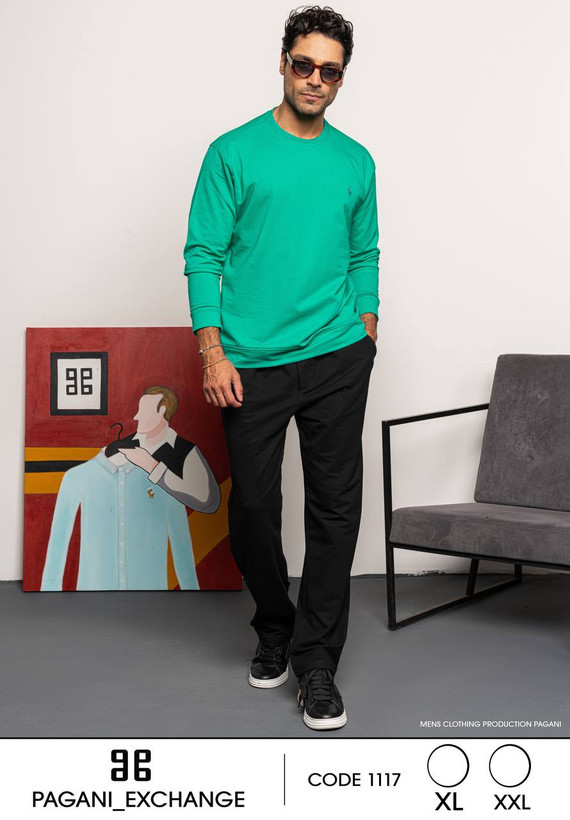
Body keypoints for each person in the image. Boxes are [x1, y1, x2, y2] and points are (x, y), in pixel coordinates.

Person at [182, 4, 379, 730]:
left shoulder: (356, 161)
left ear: (341, 79)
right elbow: (203, 253)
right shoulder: (232, 152)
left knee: (335, 509)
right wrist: (212, 351)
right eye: (304, 64)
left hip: (337, 355)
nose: (315, 79)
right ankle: (275, 624)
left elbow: (364, 251)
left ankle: (318, 662)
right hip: (251, 364)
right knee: (255, 510)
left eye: (330, 70)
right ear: (283, 63)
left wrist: (367, 319)